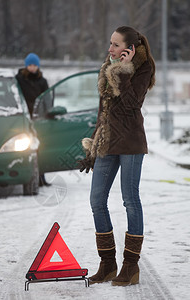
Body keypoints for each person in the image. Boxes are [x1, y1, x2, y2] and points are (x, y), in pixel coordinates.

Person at [79, 26, 155, 286]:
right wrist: (93, 147)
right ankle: (108, 263)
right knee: (96, 200)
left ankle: (130, 266)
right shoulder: (107, 65)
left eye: (114, 45)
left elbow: (133, 104)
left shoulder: (143, 68)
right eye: (109, 43)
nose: (109, 49)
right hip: (108, 142)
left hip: (131, 143)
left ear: (129, 49)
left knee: (130, 200)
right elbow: (104, 110)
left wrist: (123, 71)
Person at [15, 53, 51, 187]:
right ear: (26, 65)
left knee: (41, 148)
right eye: (30, 65)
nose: (32, 68)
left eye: (35, 65)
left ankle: (42, 177)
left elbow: (47, 100)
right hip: (23, 118)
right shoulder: (19, 79)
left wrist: (48, 113)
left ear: (38, 66)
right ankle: (27, 175)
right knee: (26, 148)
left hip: (39, 119)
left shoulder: (42, 81)